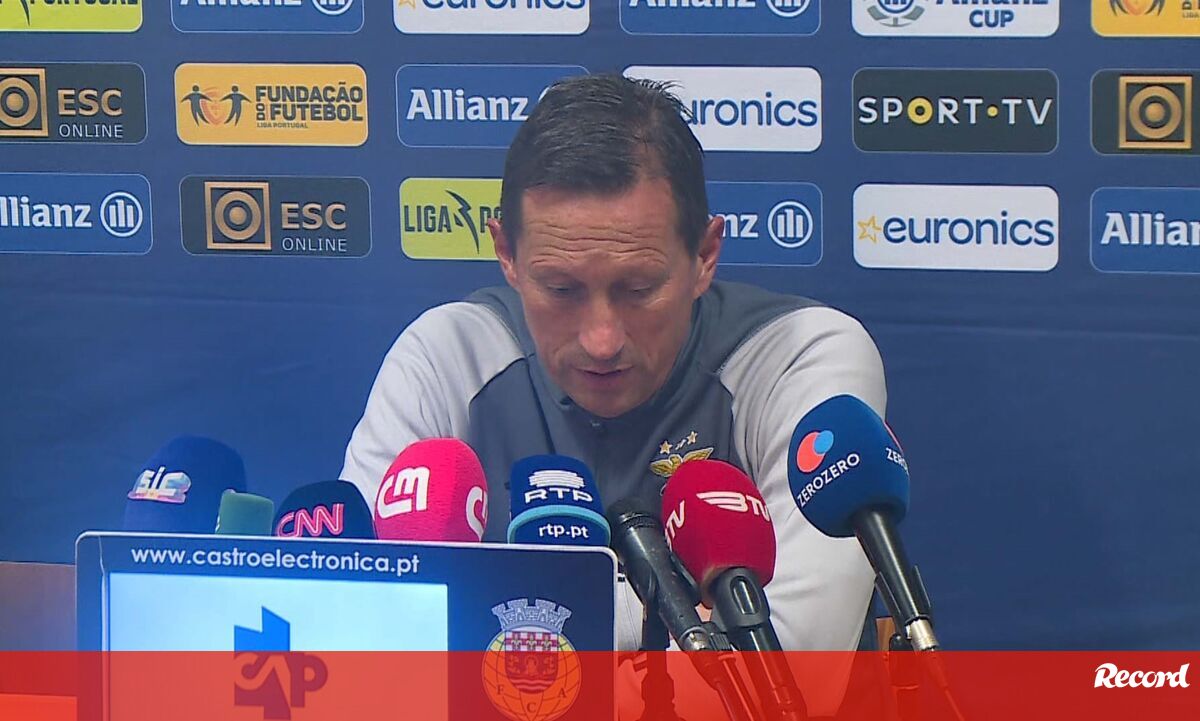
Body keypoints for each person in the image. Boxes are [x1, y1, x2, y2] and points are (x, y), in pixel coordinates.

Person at [341, 73, 885, 709]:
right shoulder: (447, 354)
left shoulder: (800, 356)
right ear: (506, 253)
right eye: (561, 289)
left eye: (637, 289)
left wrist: (499, 637)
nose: (601, 340)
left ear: (705, 254)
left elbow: (783, 682)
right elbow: (358, 637)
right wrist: (679, 633)